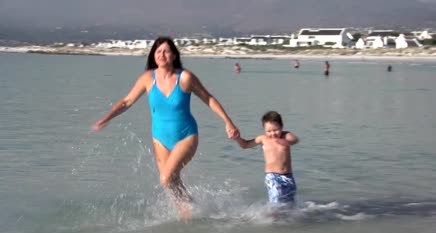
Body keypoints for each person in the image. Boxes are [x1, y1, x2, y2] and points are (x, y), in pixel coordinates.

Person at [92, 36, 239, 220]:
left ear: (174, 55)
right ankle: (188, 214)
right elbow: (127, 101)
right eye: (158, 51)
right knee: (172, 183)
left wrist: (228, 121)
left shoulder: (185, 78)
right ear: (154, 55)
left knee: (166, 179)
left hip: (186, 136)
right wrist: (107, 118)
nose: (161, 54)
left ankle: (192, 211)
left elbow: (208, 98)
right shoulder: (147, 78)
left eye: (166, 51)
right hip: (160, 139)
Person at [235, 111, 299, 206]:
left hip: (288, 177)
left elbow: (295, 139)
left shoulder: (285, 135)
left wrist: (287, 142)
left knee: (290, 204)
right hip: (273, 177)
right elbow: (245, 145)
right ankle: (272, 217)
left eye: (275, 130)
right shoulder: (263, 139)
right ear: (264, 130)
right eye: (269, 131)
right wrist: (237, 138)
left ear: (281, 127)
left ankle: (287, 219)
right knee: (276, 201)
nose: (272, 133)